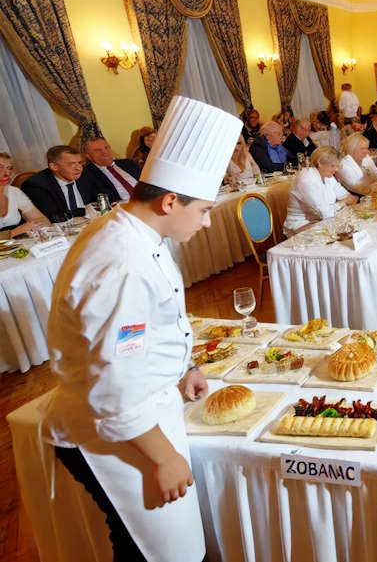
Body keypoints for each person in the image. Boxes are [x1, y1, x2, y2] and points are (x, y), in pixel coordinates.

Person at [45, 95, 241, 561]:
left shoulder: (136, 232)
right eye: (204, 210)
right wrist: (164, 457)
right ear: (170, 201)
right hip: (112, 432)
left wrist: (182, 367)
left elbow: (149, 327)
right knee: (158, 553)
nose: (209, 221)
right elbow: (114, 382)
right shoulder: (123, 261)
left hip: (147, 408)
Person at [283, 146, 357, 236]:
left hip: (323, 222)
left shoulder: (327, 175)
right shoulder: (307, 180)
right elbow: (325, 213)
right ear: (320, 163)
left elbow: (346, 195)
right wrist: (343, 202)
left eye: (337, 165)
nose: (336, 169)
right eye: (332, 166)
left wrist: (345, 200)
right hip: (300, 226)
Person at [22, 145, 104, 222]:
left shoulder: (86, 175)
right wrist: (84, 210)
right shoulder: (36, 185)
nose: (79, 168)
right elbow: (52, 217)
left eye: (79, 163)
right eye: (72, 164)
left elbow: (102, 198)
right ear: (54, 166)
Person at [0, 153, 48, 238]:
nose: (7, 173)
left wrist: (34, 226)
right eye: (0, 168)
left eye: (9, 168)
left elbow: (43, 220)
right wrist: (15, 232)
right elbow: (20, 230)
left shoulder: (15, 192)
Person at [82, 136, 143, 203]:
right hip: (125, 208)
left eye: (106, 147)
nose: (105, 152)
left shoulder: (128, 163)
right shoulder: (86, 175)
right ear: (88, 156)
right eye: (98, 150)